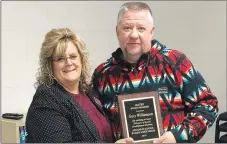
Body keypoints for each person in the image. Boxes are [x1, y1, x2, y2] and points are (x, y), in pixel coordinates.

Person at [92, 2, 218, 143]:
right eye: (127, 28)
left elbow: (208, 105)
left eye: (141, 28)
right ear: (117, 31)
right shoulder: (102, 74)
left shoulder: (175, 62)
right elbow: (95, 123)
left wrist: (178, 136)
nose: (134, 34)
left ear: (151, 32)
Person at [25, 28, 115, 143]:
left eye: (73, 56)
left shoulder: (89, 92)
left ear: (81, 60)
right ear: (50, 65)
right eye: (60, 59)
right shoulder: (46, 99)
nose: (68, 63)